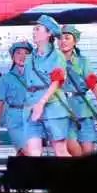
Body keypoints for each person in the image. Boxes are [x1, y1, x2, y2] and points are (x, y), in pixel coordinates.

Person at [22, 15, 72, 157]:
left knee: (60, 151)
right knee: (33, 153)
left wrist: (42, 103)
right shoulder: (30, 58)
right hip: (32, 108)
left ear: (49, 33)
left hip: (54, 107)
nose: (34, 32)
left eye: (38, 29)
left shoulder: (57, 56)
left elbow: (57, 81)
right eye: (34, 29)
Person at [60, 25, 97, 156]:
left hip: (83, 109)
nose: (63, 41)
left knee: (88, 151)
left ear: (75, 41)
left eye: (67, 38)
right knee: (72, 148)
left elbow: (92, 81)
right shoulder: (53, 61)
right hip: (63, 110)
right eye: (60, 38)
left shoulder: (82, 61)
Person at [0, 41, 31, 155]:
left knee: (26, 153)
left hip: (33, 118)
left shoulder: (36, 77)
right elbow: (0, 105)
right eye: (18, 53)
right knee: (29, 152)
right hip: (15, 119)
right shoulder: (5, 79)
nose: (22, 56)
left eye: (26, 53)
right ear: (12, 57)